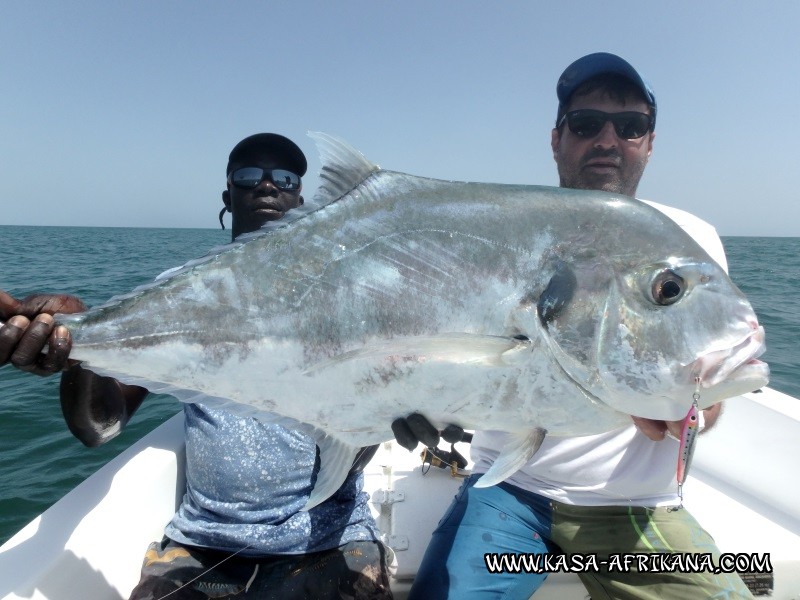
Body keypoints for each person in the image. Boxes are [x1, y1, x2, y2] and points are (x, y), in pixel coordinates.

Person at [400, 53, 755, 599]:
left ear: (650, 141)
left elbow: (711, 374)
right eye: (587, 124)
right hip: (510, 491)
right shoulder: (502, 233)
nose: (608, 140)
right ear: (556, 138)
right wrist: (411, 397)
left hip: (634, 508)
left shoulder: (689, 242)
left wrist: (698, 409)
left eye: (630, 126)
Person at [0, 133, 394, 600]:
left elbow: (374, 425)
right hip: (202, 545)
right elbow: (98, 429)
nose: (266, 186)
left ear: (300, 198)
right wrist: (76, 348)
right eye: (249, 176)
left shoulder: (354, 296)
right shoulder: (175, 295)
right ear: (228, 194)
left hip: (331, 538)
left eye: (284, 178)